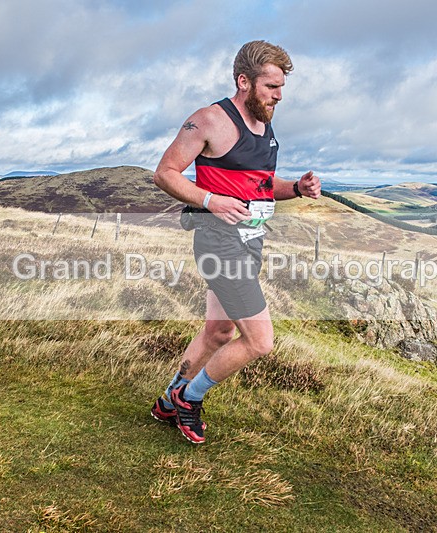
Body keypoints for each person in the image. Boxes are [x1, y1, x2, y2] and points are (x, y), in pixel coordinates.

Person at [150, 40, 321, 444]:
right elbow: (165, 173)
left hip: (250, 241)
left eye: (281, 87)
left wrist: (296, 187)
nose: (278, 96)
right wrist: (210, 200)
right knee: (260, 341)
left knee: (219, 333)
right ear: (244, 81)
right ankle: (188, 398)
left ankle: (167, 401)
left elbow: (260, 186)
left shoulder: (266, 125)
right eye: (270, 86)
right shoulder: (208, 120)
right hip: (218, 242)